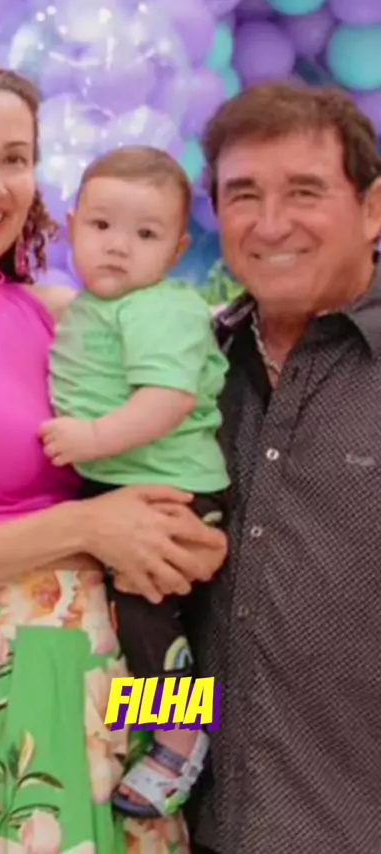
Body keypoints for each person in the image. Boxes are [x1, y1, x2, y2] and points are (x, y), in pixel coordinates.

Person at [0, 61, 227, 854]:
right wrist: (88, 528)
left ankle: (179, 739)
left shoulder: (60, 315)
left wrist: (189, 540)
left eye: (15, 158)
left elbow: (163, 436)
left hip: (110, 681)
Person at [186, 82, 381, 854]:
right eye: (243, 194)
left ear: (373, 209)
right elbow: (169, 628)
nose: (271, 224)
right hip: (189, 832)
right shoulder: (188, 374)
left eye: (304, 191)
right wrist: (152, 749)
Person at [40, 145, 229, 819]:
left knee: (144, 611)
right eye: (101, 227)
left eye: (145, 234)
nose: (119, 247)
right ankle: (146, 724)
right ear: (71, 226)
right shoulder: (93, 305)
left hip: (170, 489)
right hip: (123, 484)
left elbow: (168, 400)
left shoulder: (162, 310)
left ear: (177, 250)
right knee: (125, 617)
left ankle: (181, 737)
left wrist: (92, 438)